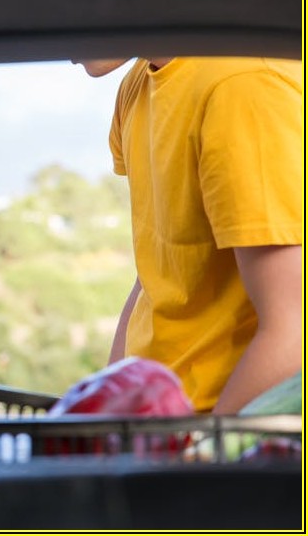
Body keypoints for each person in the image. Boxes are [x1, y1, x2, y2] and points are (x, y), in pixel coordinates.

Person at [75, 56, 303, 414]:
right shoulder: (136, 85)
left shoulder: (244, 87)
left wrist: (201, 458)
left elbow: (294, 332)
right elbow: (151, 279)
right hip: (156, 429)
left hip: (220, 432)